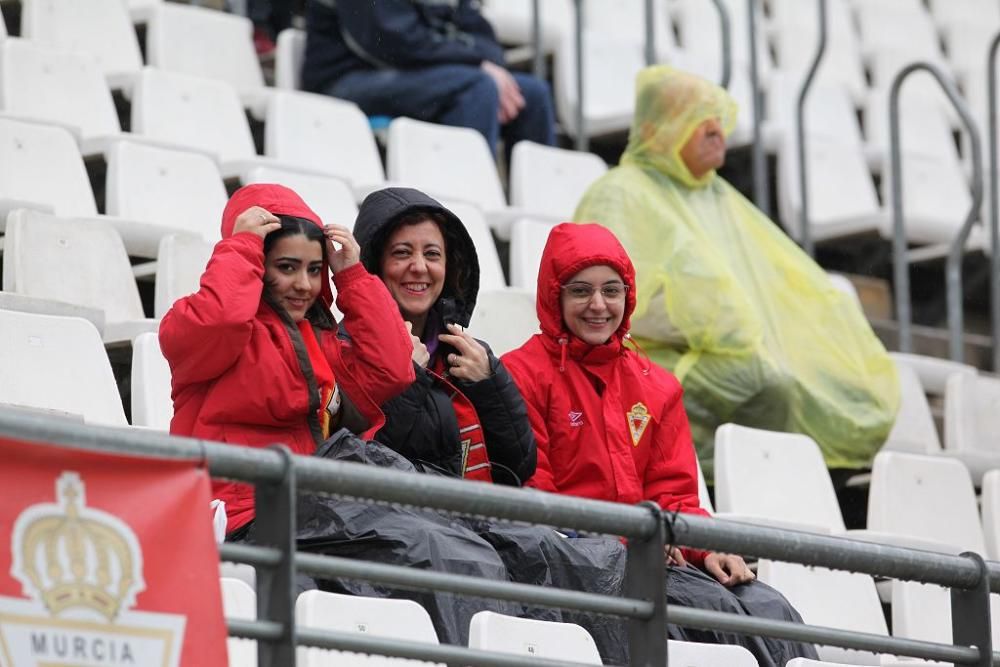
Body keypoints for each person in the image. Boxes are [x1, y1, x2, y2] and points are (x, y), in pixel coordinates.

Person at [502, 222, 821, 667]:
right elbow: (538, 500)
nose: (598, 305)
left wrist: (707, 547)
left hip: (651, 560)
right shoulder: (521, 375)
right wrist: (633, 541)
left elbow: (675, 495)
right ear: (554, 297)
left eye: (611, 291)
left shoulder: (657, 386)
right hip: (581, 562)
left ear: (627, 297)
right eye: (580, 291)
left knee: (772, 611)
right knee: (707, 619)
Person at [573, 65, 899, 475]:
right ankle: (734, 486)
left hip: (728, 347)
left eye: (718, 120)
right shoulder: (619, 192)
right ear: (659, 129)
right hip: (648, 356)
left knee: (850, 385)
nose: (715, 130)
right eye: (696, 119)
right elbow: (609, 301)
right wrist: (712, 324)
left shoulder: (718, 197)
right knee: (766, 382)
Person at [158, 183, 415, 536]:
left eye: (314, 270)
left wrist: (352, 275)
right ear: (258, 264)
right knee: (420, 548)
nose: (304, 285)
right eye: (287, 267)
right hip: (239, 519)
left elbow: (393, 370)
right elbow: (223, 318)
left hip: (316, 512)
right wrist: (242, 246)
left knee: (450, 544)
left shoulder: (317, 340)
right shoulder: (202, 330)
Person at [349, 186, 537, 485]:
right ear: (374, 265)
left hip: (472, 521)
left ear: (450, 267)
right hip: (401, 523)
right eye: (402, 253)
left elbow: (520, 466)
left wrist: (489, 384)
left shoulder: (470, 355)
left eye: (433, 254)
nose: (420, 267)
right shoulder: (347, 350)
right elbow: (359, 469)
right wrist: (405, 377)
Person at [302, 0, 556, 156]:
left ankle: (542, 221)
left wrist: (483, 62)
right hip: (348, 79)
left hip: (419, 72)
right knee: (478, 86)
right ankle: (462, 209)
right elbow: (390, 41)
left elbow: (486, 39)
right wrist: (476, 62)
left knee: (532, 93)